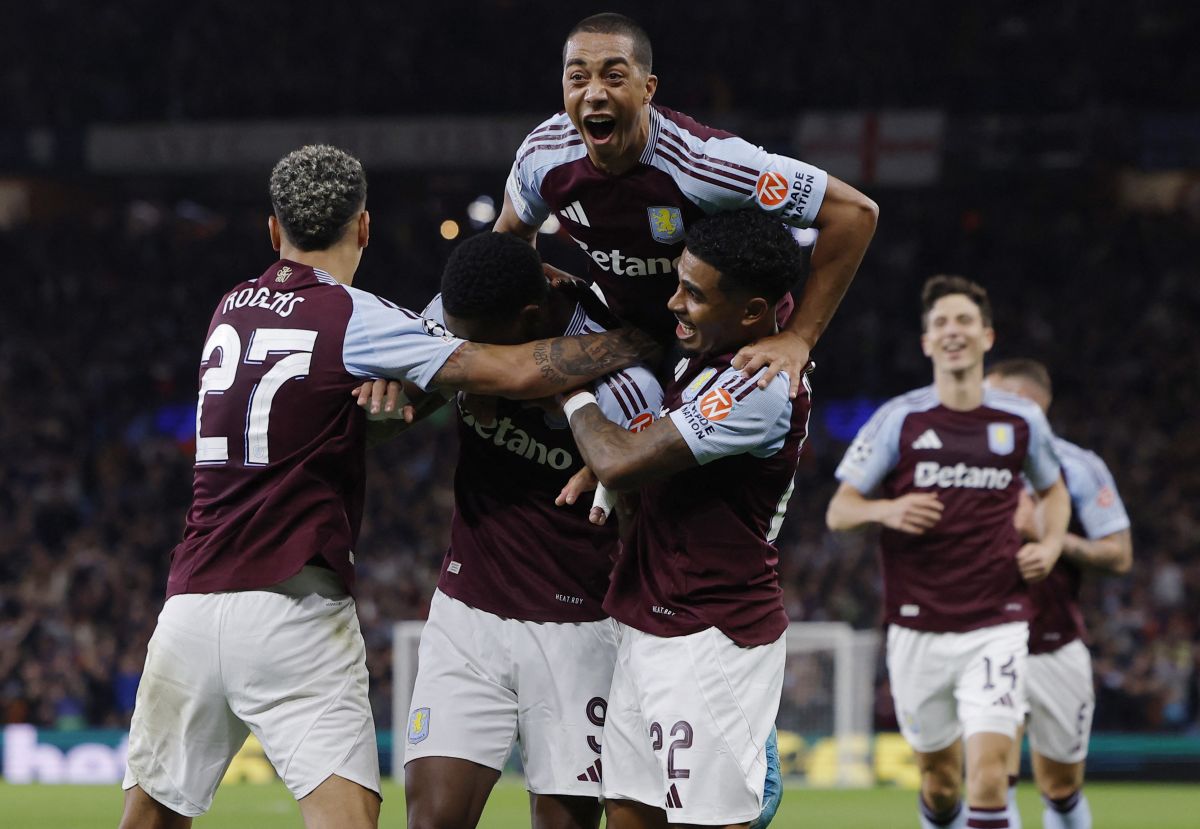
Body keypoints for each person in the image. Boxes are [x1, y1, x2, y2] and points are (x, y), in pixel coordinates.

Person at [117, 144, 657, 829]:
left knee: (147, 821)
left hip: (190, 601)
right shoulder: (360, 318)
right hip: (293, 602)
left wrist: (392, 408)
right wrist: (644, 340)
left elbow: (339, 411)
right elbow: (513, 371)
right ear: (365, 228)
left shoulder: (230, 307)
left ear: (273, 230)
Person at [388, 231, 663, 829]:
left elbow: (654, 516)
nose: (461, 351)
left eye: (475, 339)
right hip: (469, 610)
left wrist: (618, 468)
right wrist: (391, 388)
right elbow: (409, 378)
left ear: (529, 317)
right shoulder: (455, 317)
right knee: (431, 821)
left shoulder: (625, 389)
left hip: (580, 626)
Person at [559, 209, 813, 828]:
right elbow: (634, 464)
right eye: (678, 282)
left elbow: (620, 462)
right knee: (626, 815)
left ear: (753, 311)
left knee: (707, 821)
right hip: (648, 620)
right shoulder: (693, 365)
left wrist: (569, 392)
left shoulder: (758, 383)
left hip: (711, 630)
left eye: (693, 293)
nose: (673, 303)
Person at [495, 12, 878, 398]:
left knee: (647, 455)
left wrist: (799, 337)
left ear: (648, 88)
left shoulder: (707, 166)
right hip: (624, 330)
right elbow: (509, 238)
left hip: (724, 345)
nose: (594, 93)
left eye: (614, 76)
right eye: (578, 77)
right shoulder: (542, 155)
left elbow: (853, 213)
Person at [825, 275, 1070, 829]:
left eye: (963, 322)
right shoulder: (900, 418)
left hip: (997, 619)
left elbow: (1053, 491)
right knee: (940, 782)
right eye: (940, 324)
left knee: (988, 773)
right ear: (926, 343)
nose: (952, 331)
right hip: (918, 625)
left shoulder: (1021, 420)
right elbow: (840, 510)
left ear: (987, 337)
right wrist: (886, 510)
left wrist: (1051, 544)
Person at [986, 359, 1133, 829]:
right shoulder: (968, 462)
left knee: (1061, 787)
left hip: (1053, 644)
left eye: (994, 397)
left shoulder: (1079, 467)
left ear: (1027, 404)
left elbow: (1119, 555)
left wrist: (1050, 536)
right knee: (990, 780)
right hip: (984, 642)